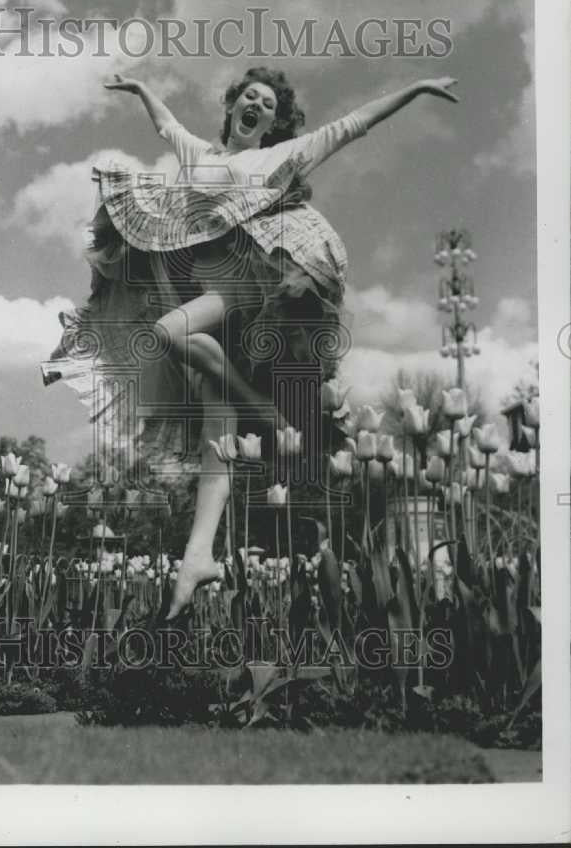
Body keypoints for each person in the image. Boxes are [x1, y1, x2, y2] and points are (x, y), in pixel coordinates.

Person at [42, 67, 459, 618]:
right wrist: (142, 90)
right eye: (249, 96)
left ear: (272, 121)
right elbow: (167, 126)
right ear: (233, 104)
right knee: (217, 435)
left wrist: (416, 88)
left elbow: (352, 124)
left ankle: (262, 409)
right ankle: (198, 557)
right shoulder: (202, 157)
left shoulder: (282, 157)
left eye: (267, 103)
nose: (256, 104)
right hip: (211, 297)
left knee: (166, 333)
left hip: (248, 284)